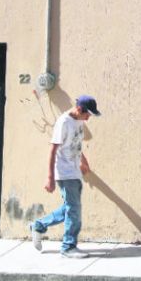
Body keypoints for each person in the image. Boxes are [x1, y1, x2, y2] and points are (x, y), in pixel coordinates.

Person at [30, 95, 101, 258]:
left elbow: (76, 144)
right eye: (87, 114)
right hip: (64, 172)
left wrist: (83, 161)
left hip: (74, 171)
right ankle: (68, 247)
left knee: (70, 208)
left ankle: (39, 225)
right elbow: (53, 149)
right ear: (79, 109)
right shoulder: (63, 123)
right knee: (74, 210)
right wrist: (49, 177)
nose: (88, 118)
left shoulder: (79, 121)